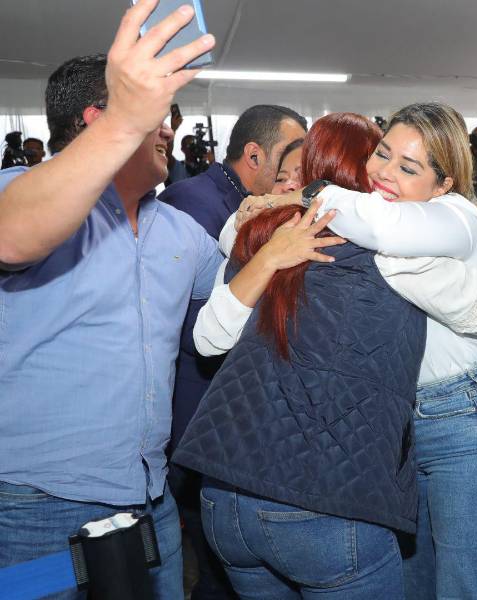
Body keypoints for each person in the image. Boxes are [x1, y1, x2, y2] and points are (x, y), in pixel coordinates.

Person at [173, 112, 477, 598]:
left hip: (226, 496)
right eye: (381, 155)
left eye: (408, 166)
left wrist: (275, 217)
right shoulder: (396, 253)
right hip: (326, 496)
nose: (386, 172)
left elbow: (208, 338)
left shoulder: (263, 232)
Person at [0, 2, 219, 598]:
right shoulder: (19, 192)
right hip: (36, 513)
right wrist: (126, 121)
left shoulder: (178, 229)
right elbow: (12, 236)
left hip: (150, 504)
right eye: (157, 117)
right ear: (101, 117)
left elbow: (233, 302)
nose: (169, 131)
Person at [159, 103, 307, 600]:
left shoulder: (253, 202)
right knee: (219, 568)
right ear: (254, 155)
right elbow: (193, 324)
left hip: (239, 409)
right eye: (289, 160)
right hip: (199, 403)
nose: (296, 175)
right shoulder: (193, 201)